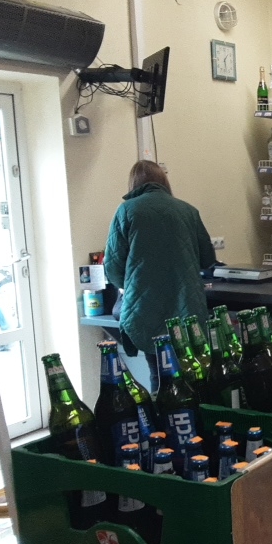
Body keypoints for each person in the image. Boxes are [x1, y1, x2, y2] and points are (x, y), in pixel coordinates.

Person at [105, 161, 216, 392]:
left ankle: (161, 413)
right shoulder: (188, 211)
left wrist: (132, 285)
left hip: (145, 308)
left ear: (133, 183)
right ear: (164, 181)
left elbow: (113, 268)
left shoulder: (126, 211)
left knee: (158, 373)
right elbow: (207, 259)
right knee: (192, 374)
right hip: (186, 305)